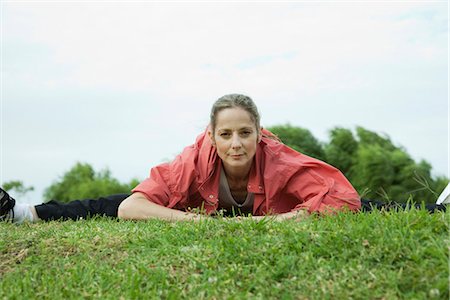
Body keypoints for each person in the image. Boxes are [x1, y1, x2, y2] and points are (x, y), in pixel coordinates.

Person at [0, 94, 446, 223]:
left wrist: (281, 222)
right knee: (109, 201)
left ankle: (438, 209)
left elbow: (342, 198)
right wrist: (197, 224)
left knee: (367, 210)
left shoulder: (278, 158)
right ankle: (22, 213)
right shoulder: (195, 159)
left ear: (259, 134)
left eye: (245, 133)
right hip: (198, 209)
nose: (236, 143)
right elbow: (131, 207)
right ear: (211, 137)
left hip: (282, 209)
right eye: (226, 134)